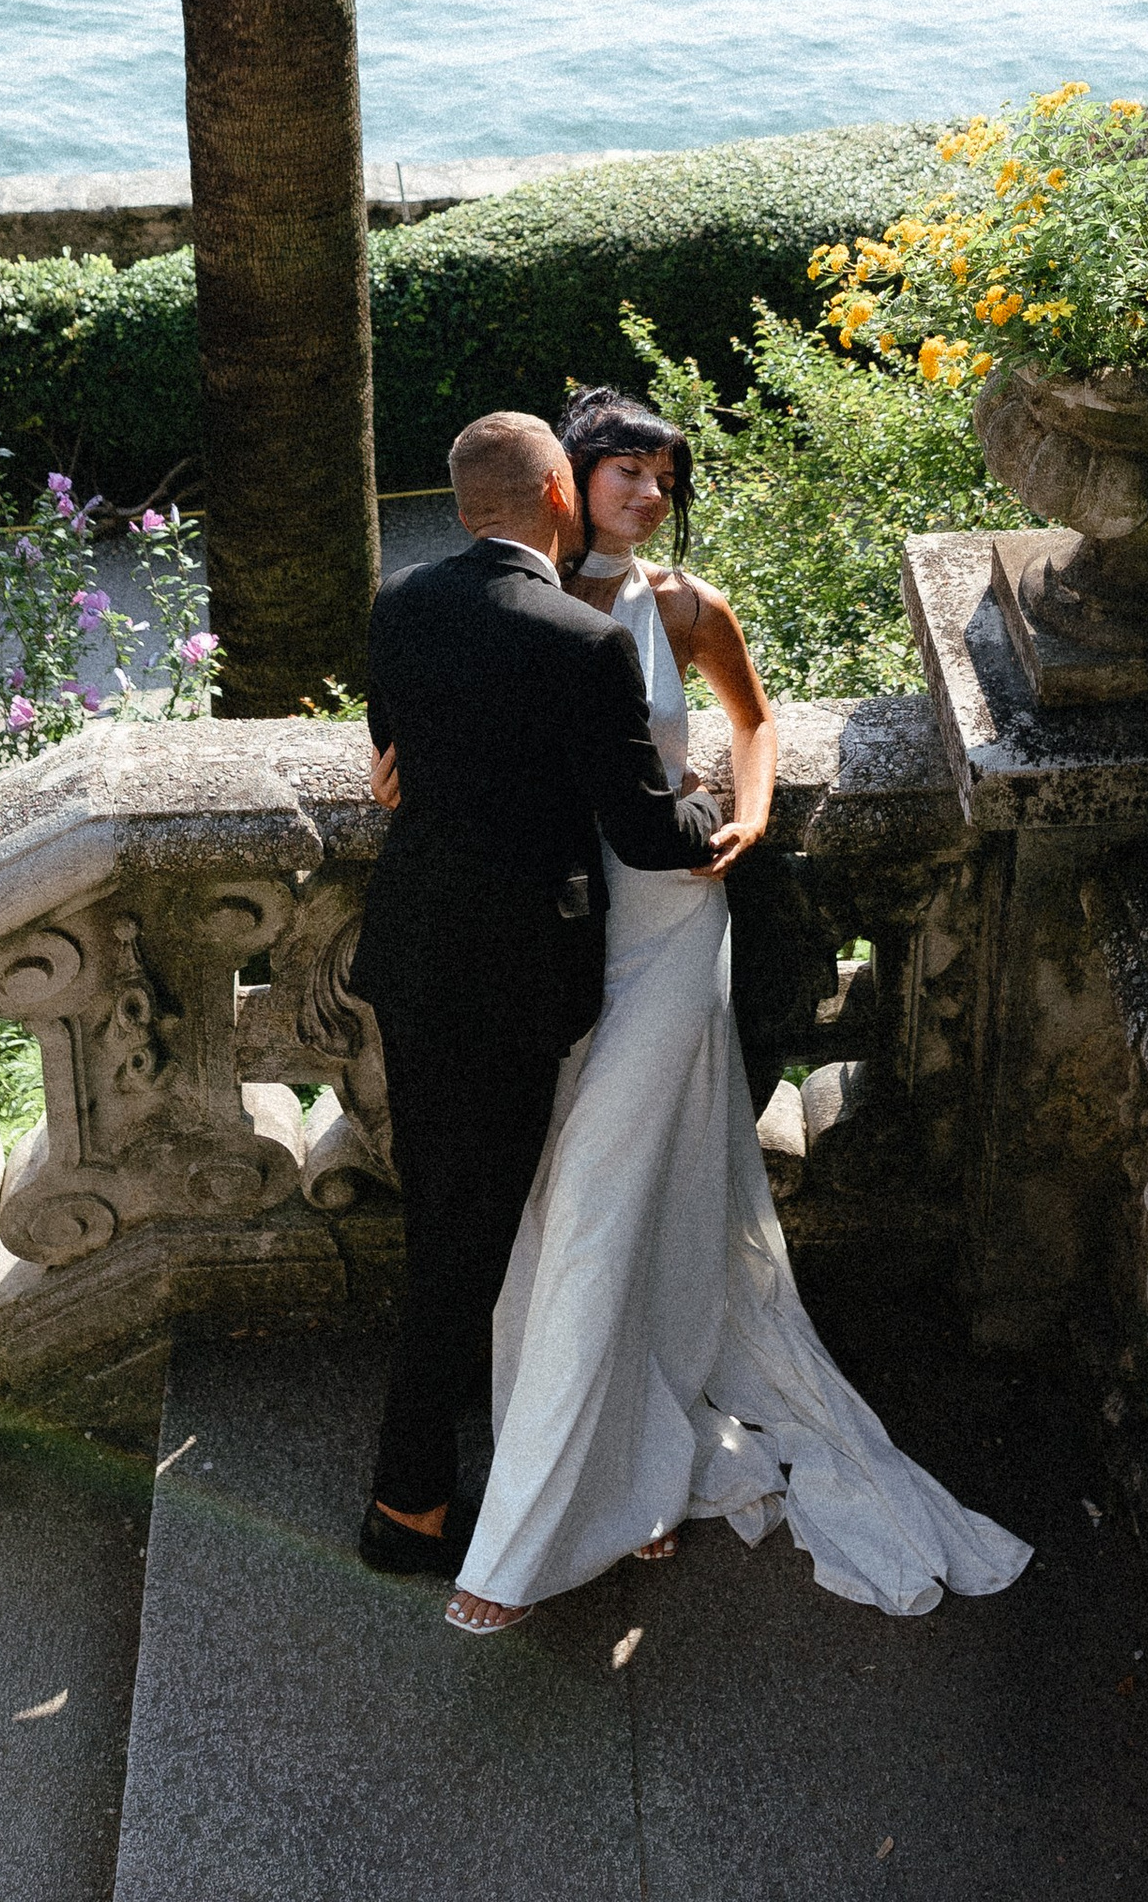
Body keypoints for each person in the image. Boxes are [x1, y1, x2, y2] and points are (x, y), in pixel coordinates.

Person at [430, 384, 1034, 1634]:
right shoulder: (509, 607)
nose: (649, 497)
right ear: (566, 482)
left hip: (667, 932)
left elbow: (751, 722)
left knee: (596, 1191)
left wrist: (752, 812)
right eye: (626, 474)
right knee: (576, 1193)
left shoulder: (684, 606)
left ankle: (516, 1548)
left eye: (665, 478)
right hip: (551, 940)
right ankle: (640, 1460)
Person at [347, 407, 726, 1582]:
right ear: (560, 493)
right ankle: (405, 1506)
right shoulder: (582, 643)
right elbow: (647, 836)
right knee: (466, 1234)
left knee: (441, 1208)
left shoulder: (398, 602)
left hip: (411, 956)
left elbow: (394, 755)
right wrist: (710, 805)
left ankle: (465, 1396)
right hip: (510, 978)